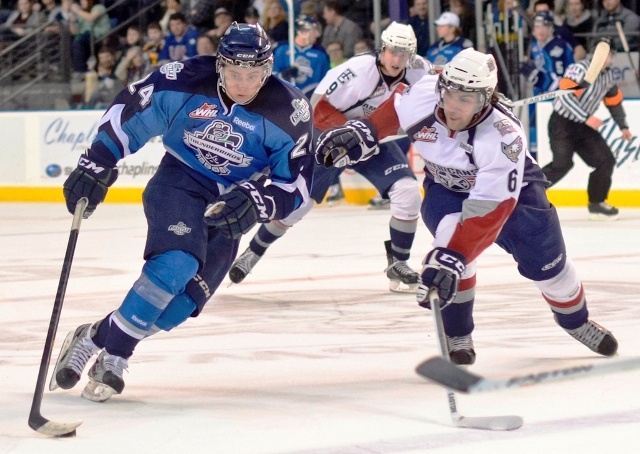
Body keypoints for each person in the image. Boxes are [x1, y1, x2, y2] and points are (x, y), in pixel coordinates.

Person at [49, 22, 315, 401]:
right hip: (180, 181)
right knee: (176, 265)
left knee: (179, 308)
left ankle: (94, 335)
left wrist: (260, 200)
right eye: (235, 73)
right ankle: (117, 355)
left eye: (254, 74)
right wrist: (98, 161)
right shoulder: (185, 78)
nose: (243, 83)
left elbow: (298, 182)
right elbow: (131, 113)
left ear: (268, 71)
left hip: (234, 204)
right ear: (219, 65)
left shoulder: (290, 110)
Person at [391, 48, 618, 365]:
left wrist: (453, 255)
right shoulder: (424, 95)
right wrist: (363, 132)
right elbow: (399, 96)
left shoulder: (503, 135)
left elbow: (488, 208)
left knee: (551, 270)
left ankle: (575, 322)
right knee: (450, 255)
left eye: (467, 99)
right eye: (451, 94)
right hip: (446, 189)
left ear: (486, 99)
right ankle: (458, 333)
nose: (454, 106)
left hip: (516, 199)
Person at [228, 22, 432, 294]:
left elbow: (441, 86)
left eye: (404, 53)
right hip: (331, 137)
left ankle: (399, 261)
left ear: (412, 54)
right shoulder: (356, 72)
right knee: (298, 204)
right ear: (382, 50)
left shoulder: (419, 70)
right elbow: (317, 105)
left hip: (371, 138)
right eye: (392, 52)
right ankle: (253, 252)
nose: (397, 59)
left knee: (407, 192)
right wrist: (345, 136)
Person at [541, 46, 633, 220]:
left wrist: (623, 126)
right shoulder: (579, 69)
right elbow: (565, 96)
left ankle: (597, 203)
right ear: (595, 54)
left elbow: (613, 102)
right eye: (601, 54)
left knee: (605, 160)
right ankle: (524, 193)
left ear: (612, 57)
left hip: (583, 127)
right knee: (562, 164)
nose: (605, 58)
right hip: (563, 123)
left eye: (609, 55)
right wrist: (585, 117)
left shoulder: (608, 76)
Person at [272, 15, 330, 99]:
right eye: (314, 30)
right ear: (303, 32)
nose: (317, 35)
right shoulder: (281, 50)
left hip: (311, 101)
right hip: (285, 99)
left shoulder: (320, 54)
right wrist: (283, 75)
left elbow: (326, 82)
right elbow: (269, 79)